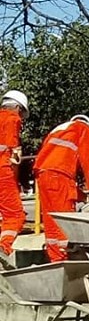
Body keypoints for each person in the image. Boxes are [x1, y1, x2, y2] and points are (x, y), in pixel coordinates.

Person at [34, 115, 89, 263]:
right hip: (60, 175)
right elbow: (87, 159)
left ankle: (55, 260)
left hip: (42, 175)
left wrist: (81, 194)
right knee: (64, 221)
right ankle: (63, 260)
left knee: (51, 221)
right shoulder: (84, 129)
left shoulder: (59, 129)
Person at [0, 90, 28, 266]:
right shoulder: (12, 118)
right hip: (2, 171)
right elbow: (13, 152)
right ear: (17, 107)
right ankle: (3, 247)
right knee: (15, 215)